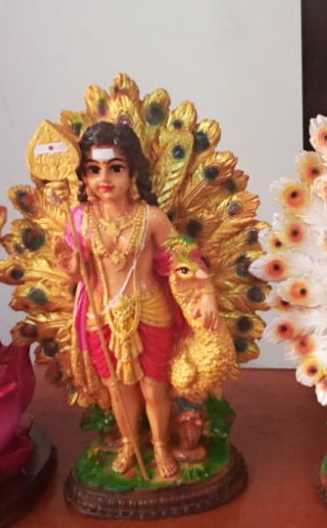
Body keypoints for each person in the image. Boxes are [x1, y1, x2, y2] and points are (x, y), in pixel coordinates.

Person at [53, 122, 219, 477]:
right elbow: (74, 275)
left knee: (154, 389)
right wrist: (73, 265)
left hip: (149, 311)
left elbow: (182, 258)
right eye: (93, 169)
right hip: (101, 315)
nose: (104, 179)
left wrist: (204, 294)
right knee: (118, 389)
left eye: (115, 168)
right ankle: (130, 442)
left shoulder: (151, 218)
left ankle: (159, 445)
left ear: (132, 173)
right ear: (83, 177)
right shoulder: (80, 219)